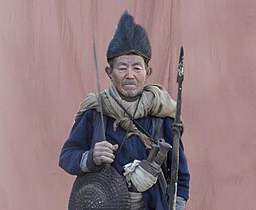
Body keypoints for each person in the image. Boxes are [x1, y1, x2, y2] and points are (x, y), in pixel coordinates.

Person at [59, 11, 190, 210]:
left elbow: (179, 172)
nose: (130, 75)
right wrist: (91, 157)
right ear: (109, 72)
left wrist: (178, 205)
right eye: (122, 68)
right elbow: (67, 156)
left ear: (148, 72)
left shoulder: (162, 115)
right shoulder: (95, 112)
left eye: (137, 68)